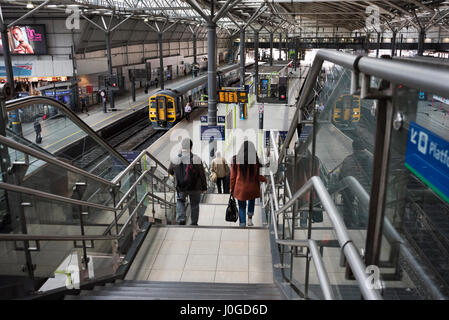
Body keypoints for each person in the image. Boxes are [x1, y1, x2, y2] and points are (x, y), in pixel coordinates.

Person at [168, 138, 207, 226]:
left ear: (182, 146)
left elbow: (170, 171)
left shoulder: (176, 158)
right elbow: (202, 175)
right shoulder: (196, 158)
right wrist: (204, 187)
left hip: (181, 186)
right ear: (191, 147)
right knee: (195, 205)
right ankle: (193, 223)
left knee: (180, 201)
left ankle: (181, 219)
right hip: (195, 187)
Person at [230, 141, 267, 227]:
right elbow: (256, 176)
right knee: (251, 201)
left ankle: (242, 224)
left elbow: (233, 177)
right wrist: (265, 179)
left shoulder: (236, 160)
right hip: (252, 187)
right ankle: (250, 220)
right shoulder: (255, 160)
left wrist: (231, 188)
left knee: (241, 206)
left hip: (240, 189)